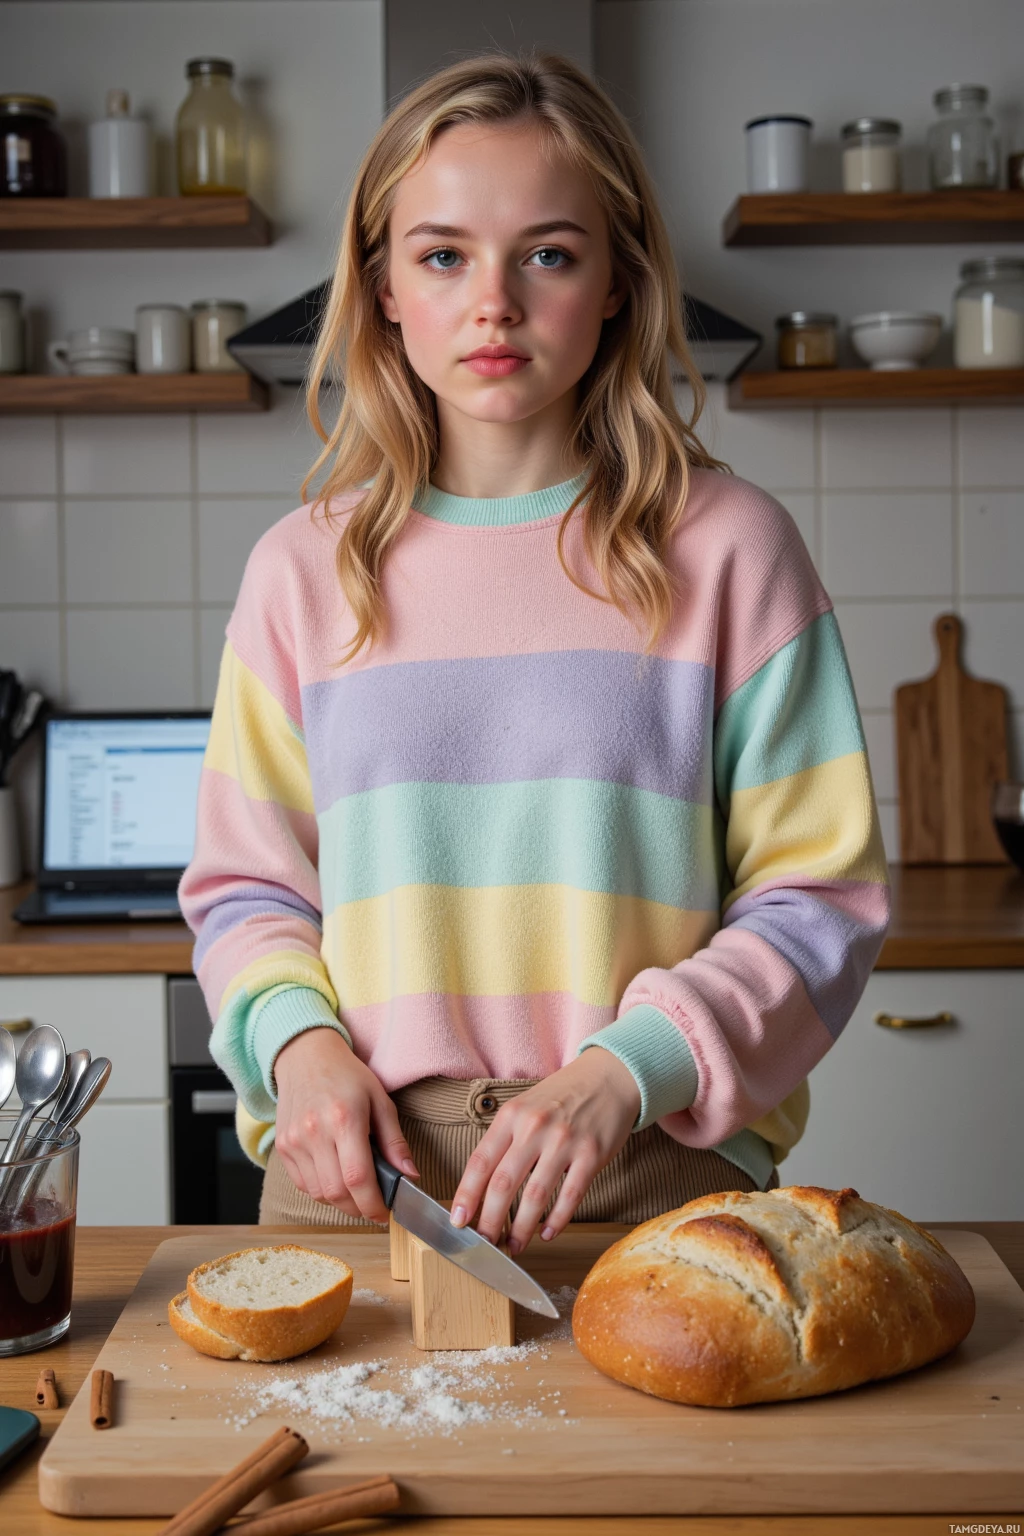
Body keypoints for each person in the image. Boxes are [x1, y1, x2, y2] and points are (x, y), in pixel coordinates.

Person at [179, 52, 889, 1253]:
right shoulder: (301, 571)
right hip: (358, 1181)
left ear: (616, 282)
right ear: (386, 289)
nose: (492, 300)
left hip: (648, 1172)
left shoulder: (731, 551)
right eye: (442, 254)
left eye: (548, 254)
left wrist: (624, 1074)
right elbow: (248, 891)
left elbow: (819, 902)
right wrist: (298, 1051)